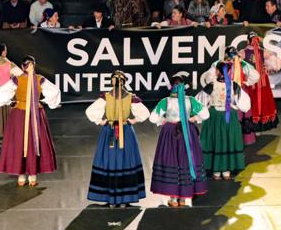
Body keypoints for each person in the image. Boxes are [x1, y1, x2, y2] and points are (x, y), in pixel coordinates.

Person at [85, 70, 150, 207]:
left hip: (113, 130)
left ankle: (112, 199)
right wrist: (134, 120)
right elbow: (144, 113)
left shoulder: (108, 97)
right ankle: (123, 199)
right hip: (121, 131)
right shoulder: (128, 97)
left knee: (111, 160)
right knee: (124, 160)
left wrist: (101, 121)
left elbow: (90, 111)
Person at [0, 56, 60, 187]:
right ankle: (32, 177)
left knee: (20, 143)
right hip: (34, 114)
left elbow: (0, 95)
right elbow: (54, 93)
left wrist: (10, 102)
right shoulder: (40, 79)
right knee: (33, 143)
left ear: (23, 66)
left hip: (19, 114)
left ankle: (21, 177)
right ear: (33, 65)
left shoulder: (17, 80)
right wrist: (45, 102)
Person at [149, 73, 209, 207]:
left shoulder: (166, 101)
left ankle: (173, 198)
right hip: (187, 132)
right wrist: (193, 119)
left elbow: (153, 118)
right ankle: (183, 197)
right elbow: (205, 114)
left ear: (171, 87)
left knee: (171, 162)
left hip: (170, 133)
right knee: (185, 162)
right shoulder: (191, 100)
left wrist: (163, 120)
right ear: (183, 86)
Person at [197, 61, 251, 181]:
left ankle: (216, 171)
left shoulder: (211, 85)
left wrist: (200, 115)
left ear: (217, 71)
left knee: (216, 142)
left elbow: (200, 101)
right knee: (227, 141)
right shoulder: (234, 85)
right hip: (229, 117)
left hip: (214, 117)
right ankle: (226, 171)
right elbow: (244, 104)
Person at [239, 32, 281, 132]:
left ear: (247, 41)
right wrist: (267, 67)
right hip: (262, 81)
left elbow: (237, 66)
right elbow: (277, 65)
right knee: (262, 100)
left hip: (249, 80)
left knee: (250, 100)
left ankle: (250, 124)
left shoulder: (243, 52)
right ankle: (259, 124)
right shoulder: (263, 52)